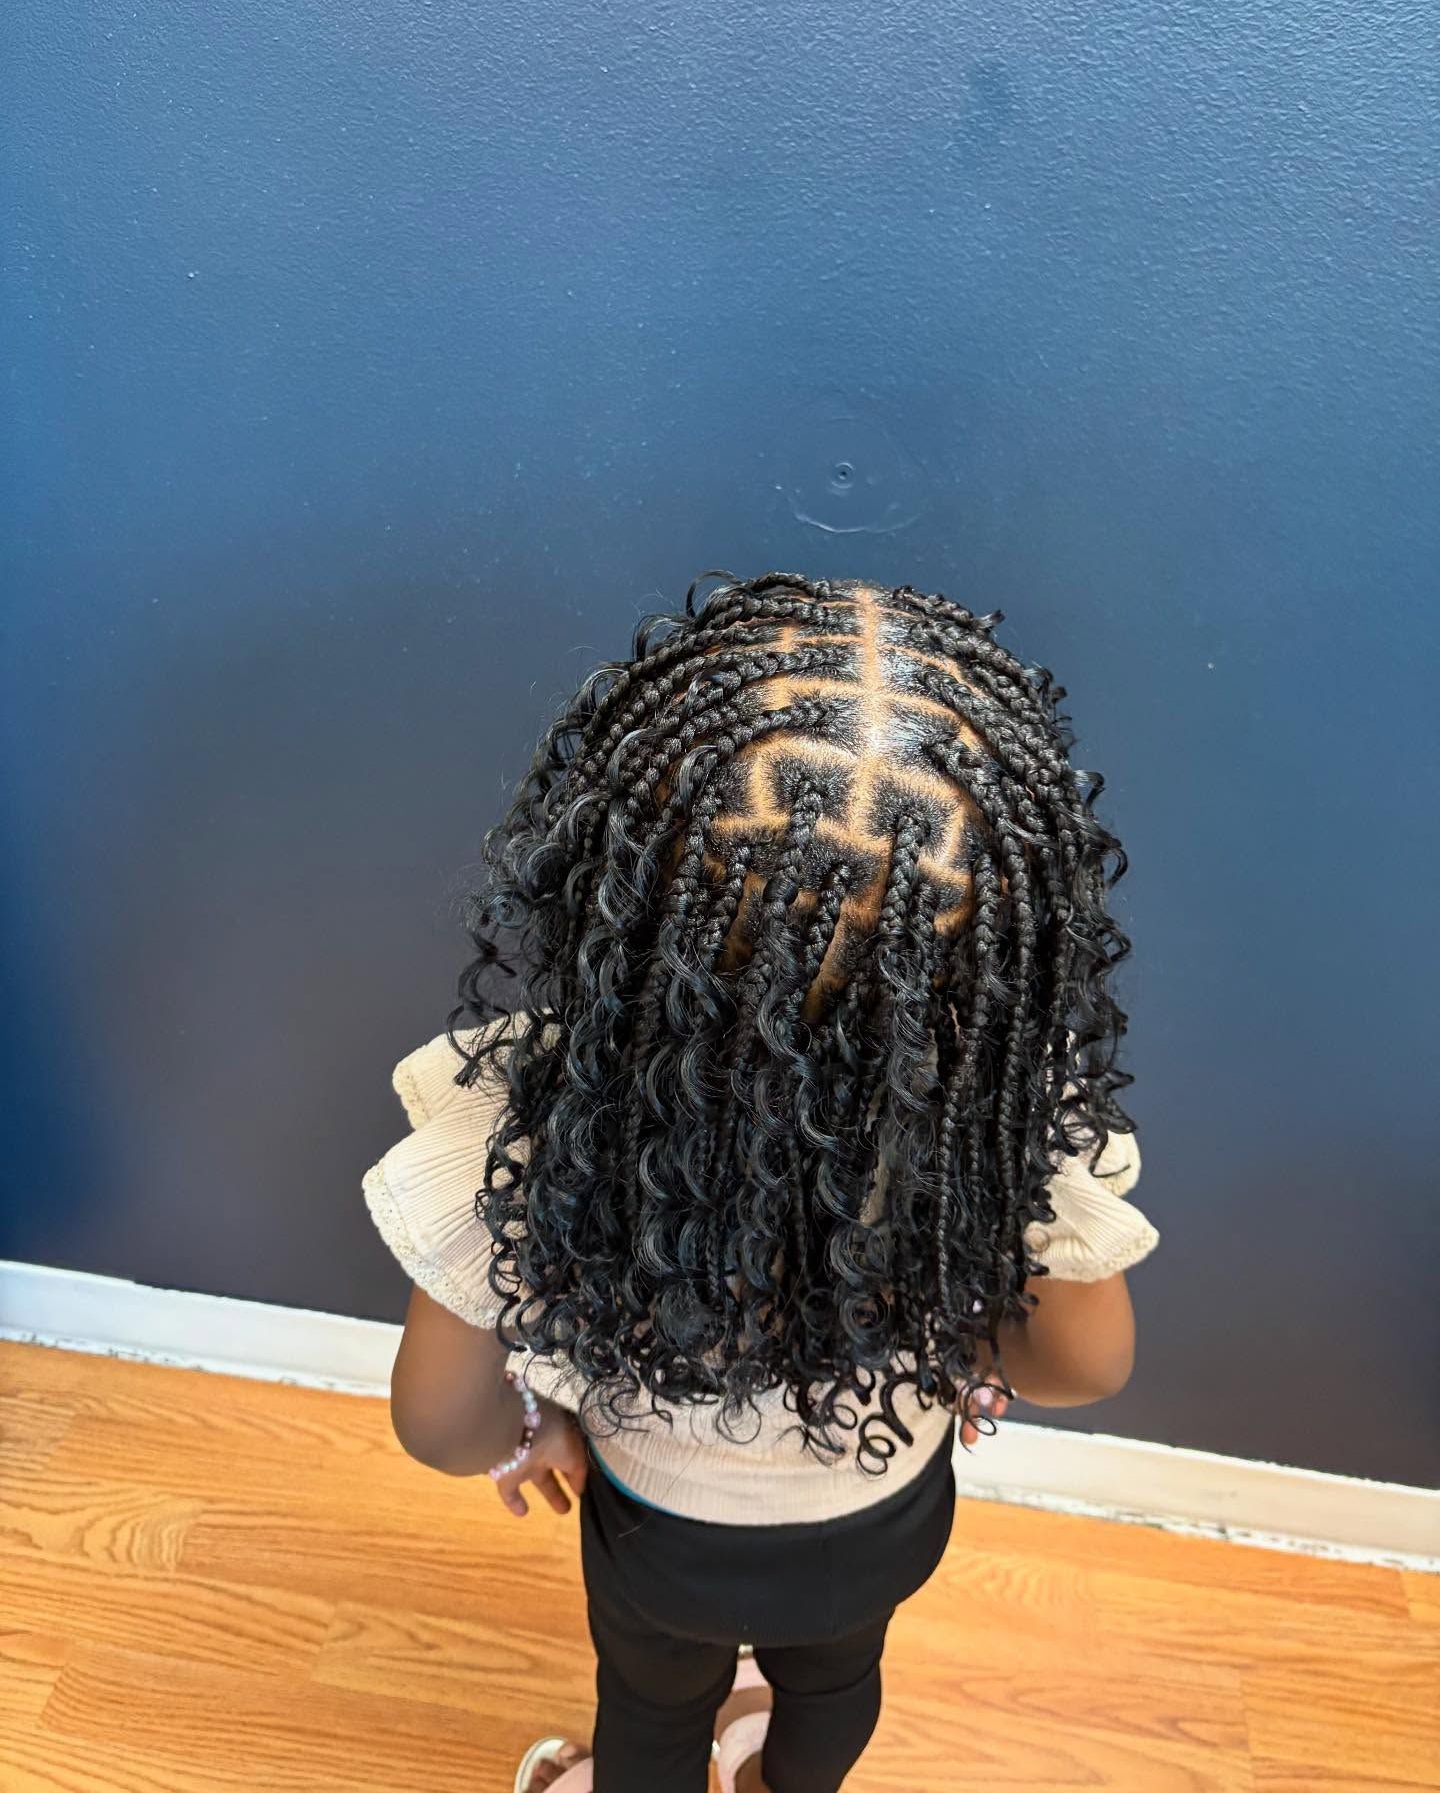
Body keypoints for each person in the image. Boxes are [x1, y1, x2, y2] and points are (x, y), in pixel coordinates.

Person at [361, 568, 1160, 1793]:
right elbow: (1087, 1362)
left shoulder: (521, 1114)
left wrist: (540, 1421)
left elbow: (436, 1420)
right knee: (839, 1682)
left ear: (615, 884)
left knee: (649, 1699)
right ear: (1012, 940)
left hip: (661, 1538)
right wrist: (968, 1346)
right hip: (882, 1519)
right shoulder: (999, 1121)